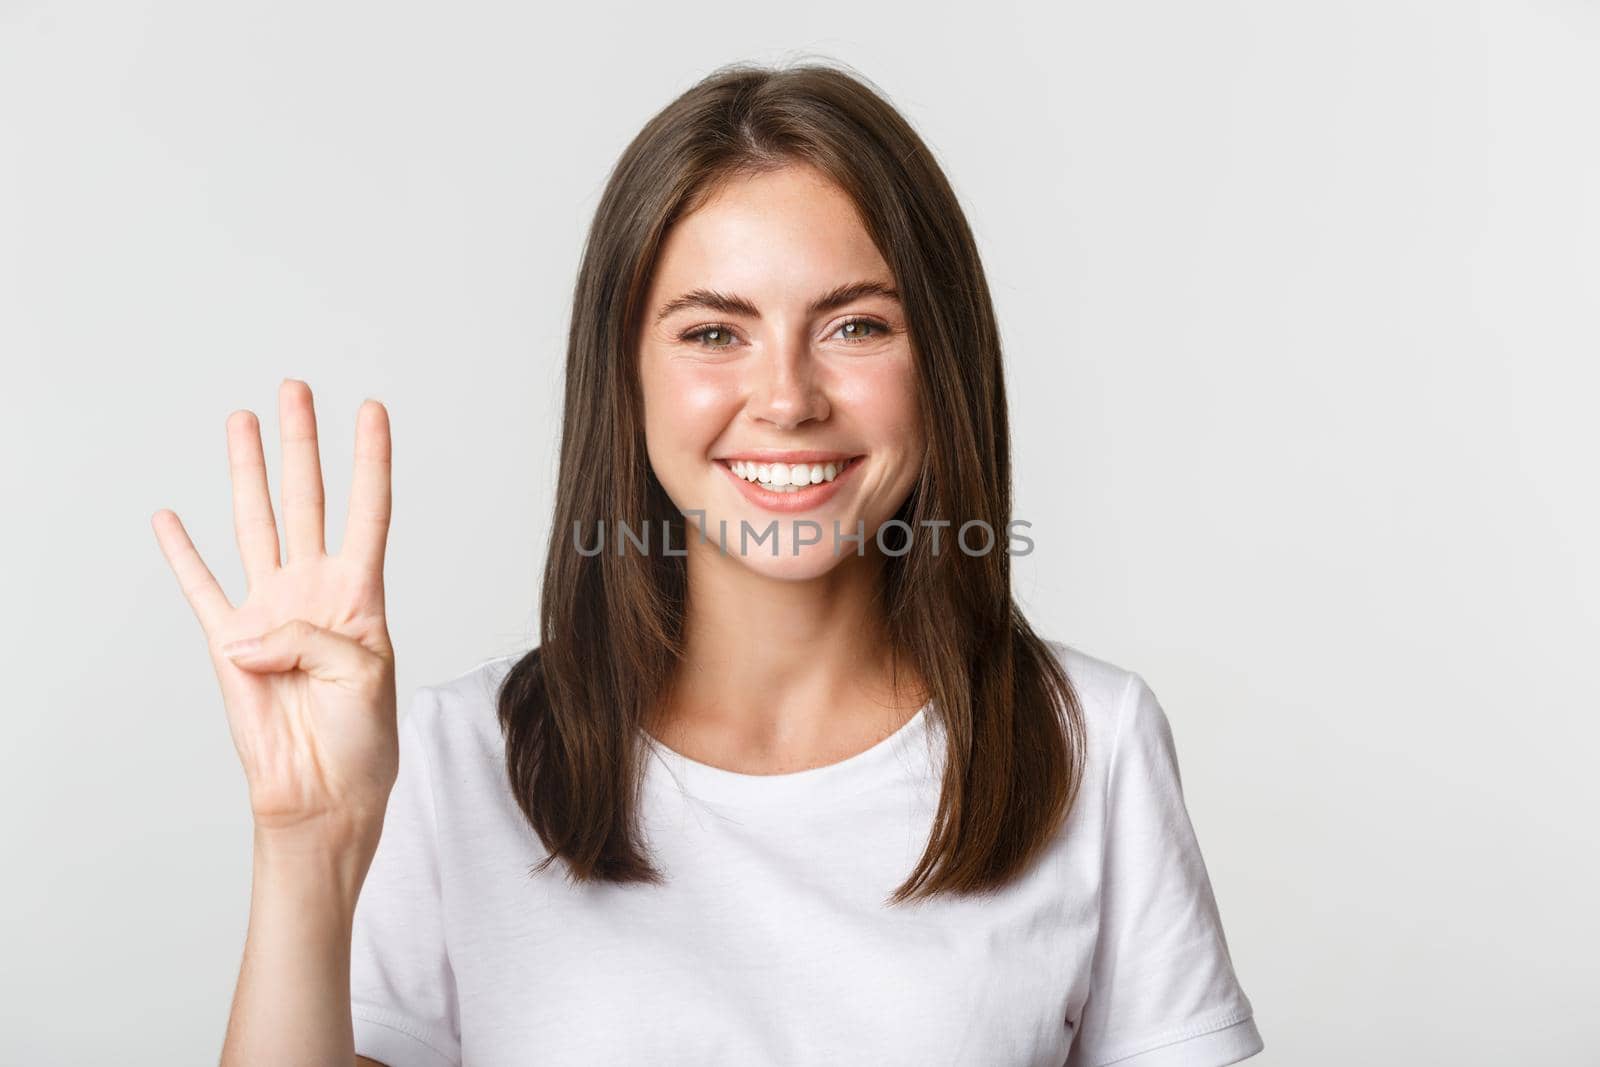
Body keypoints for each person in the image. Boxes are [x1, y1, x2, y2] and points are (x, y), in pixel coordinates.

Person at [152, 59, 1263, 1067]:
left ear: (943, 359)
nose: (786, 398)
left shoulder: (1089, 740)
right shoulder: (448, 763)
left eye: (857, 326)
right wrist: (308, 843)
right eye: (713, 332)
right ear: (624, 372)